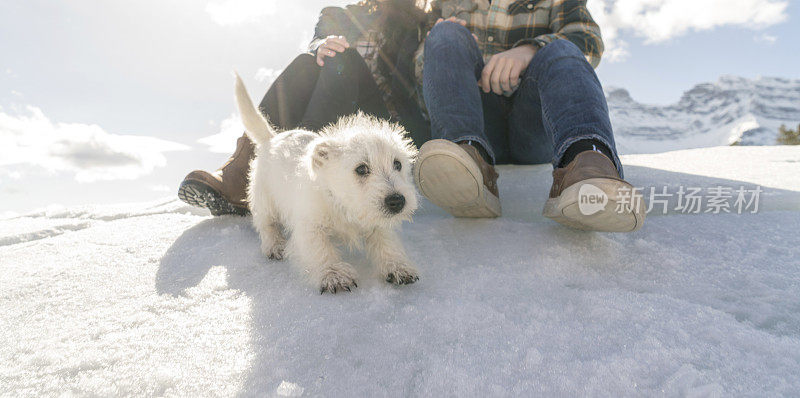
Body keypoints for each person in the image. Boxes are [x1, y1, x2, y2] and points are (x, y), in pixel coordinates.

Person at [178, 0, 432, 216]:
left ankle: (294, 171)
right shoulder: (347, 15)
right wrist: (320, 45)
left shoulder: (419, 24)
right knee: (307, 63)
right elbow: (321, 35)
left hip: (386, 126)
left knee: (346, 58)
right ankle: (241, 169)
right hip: (336, 109)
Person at [413, 0, 646, 232]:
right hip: (478, 122)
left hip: (535, 122)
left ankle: (587, 165)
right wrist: (442, 48)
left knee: (562, 49)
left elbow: (587, 40)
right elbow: (421, 67)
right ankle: (466, 162)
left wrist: (530, 50)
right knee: (445, 33)